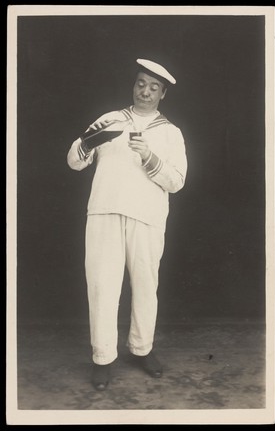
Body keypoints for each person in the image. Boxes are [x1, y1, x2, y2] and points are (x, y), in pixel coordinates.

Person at [67, 58, 188, 391]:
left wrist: (149, 157)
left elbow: (177, 181)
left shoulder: (170, 133)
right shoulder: (110, 120)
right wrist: (89, 143)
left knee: (146, 287)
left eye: (153, 88)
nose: (145, 92)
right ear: (133, 85)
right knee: (103, 286)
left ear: (162, 94)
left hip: (147, 217)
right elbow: (74, 160)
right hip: (104, 212)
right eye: (140, 84)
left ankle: (142, 349)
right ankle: (103, 357)